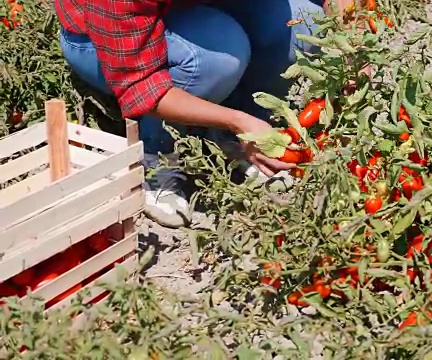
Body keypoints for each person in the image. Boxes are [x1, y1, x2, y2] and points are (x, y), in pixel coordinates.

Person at [54, 0, 353, 229]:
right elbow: (141, 84)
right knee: (214, 59)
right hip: (99, 41)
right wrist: (238, 120)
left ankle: (234, 139)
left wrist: (349, 44)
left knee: (302, 22)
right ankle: (157, 161)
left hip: (189, 8)